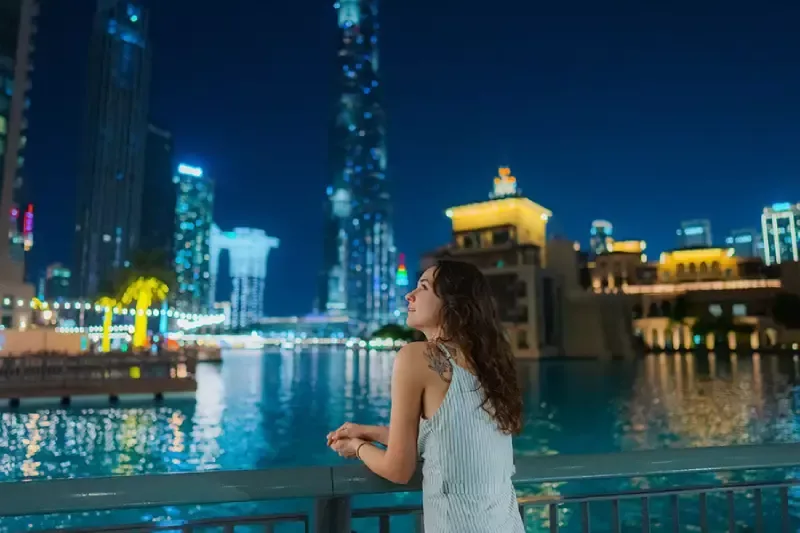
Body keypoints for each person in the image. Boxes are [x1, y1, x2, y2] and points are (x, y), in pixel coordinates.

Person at [327, 259, 525, 532]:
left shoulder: (417, 356)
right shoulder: (490, 366)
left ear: (452, 302)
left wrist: (357, 448)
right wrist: (370, 432)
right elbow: (448, 440)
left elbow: (399, 469)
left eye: (423, 287)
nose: (409, 295)